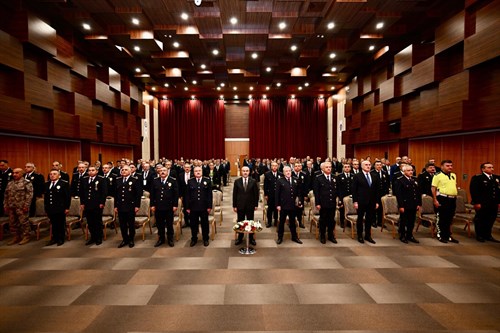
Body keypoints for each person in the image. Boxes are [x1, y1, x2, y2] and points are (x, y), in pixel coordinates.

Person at [469, 162, 500, 243]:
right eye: (489, 167)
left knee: (491, 219)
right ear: (483, 169)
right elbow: (474, 191)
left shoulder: (496, 178)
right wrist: (476, 202)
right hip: (482, 203)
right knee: (480, 219)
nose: (492, 169)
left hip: (493, 203)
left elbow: (498, 191)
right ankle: (479, 235)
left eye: (492, 167)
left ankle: (488, 235)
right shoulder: (478, 178)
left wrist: (498, 202)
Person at [352, 160, 380, 244]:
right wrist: (355, 201)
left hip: (371, 201)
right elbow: (354, 190)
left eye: (369, 164)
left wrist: (377, 202)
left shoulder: (374, 175)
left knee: (369, 219)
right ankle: (360, 235)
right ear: (362, 166)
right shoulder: (357, 176)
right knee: (360, 219)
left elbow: (377, 190)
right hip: (361, 201)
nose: (368, 166)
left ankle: (368, 235)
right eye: (366, 165)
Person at [114, 165, 142, 248]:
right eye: (122, 169)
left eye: (126, 170)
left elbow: (138, 194)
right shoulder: (118, 180)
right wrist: (115, 206)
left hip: (131, 205)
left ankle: (131, 239)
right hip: (121, 206)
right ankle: (125, 239)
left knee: (131, 224)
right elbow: (116, 194)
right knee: (122, 224)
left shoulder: (135, 180)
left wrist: (137, 205)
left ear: (130, 171)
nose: (124, 171)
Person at [431, 160, 459, 243]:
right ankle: (440, 235)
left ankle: (448, 235)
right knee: (442, 217)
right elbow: (433, 188)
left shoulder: (453, 175)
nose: (450, 167)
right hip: (442, 198)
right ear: (442, 166)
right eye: (447, 165)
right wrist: (435, 199)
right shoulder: (437, 175)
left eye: (451, 165)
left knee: (449, 218)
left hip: (452, 199)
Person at [150, 166, 179, 247]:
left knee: (169, 224)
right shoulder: (155, 181)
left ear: (167, 172)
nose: (162, 172)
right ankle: (161, 239)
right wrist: (152, 204)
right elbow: (152, 194)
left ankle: (170, 239)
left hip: (169, 206)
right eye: (161, 171)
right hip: (158, 206)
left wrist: (175, 205)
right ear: (158, 172)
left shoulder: (172, 181)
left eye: (164, 170)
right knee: (160, 224)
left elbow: (176, 194)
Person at [4, 168, 33, 245]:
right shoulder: (10, 183)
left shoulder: (26, 183)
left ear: (22, 173)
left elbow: (29, 195)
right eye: (13, 173)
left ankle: (26, 236)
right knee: (12, 223)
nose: (14, 174)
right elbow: (6, 195)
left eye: (17, 173)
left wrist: (26, 205)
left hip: (21, 207)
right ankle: (16, 237)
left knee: (24, 222)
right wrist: (5, 205)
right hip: (11, 206)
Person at [393, 165, 421, 244]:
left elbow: (418, 193)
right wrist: (401, 206)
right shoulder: (400, 180)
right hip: (405, 204)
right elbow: (399, 195)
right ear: (404, 172)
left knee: (412, 221)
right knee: (403, 221)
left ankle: (410, 235)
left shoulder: (415, 179)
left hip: (413, 204)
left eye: (411, 170)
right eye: (408, 170)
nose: (411, 172)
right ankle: (402, 235)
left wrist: (419, 203)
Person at [186, 166, 213, 247]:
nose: (198, 172)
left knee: (205, 224)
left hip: (204, 207)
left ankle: (206, 238)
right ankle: (194, 238)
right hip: (193, 207)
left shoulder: (207, 180)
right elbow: (187, 195)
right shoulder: (190, 181)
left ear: (202, 171)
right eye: (196, 171)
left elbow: (209, 195)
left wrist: (209, 206)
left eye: (199, 171)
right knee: (193, 224)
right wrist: (187, 207)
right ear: (193, 172)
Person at [275, 166, 303, 244]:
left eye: (289, 171)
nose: (288, 172)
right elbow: (277, 194)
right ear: (283, 173)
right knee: (281, 222)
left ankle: (294, 237)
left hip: (293, 205)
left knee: (292, 222)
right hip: (283, 205)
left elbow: (299, 193)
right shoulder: (280, 181)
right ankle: (280, 237)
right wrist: (278, 205)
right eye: (286, 171)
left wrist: (300, 202)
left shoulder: (296, 180)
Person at [80, 166, 107, 246]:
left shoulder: (101, 179)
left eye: (93, 170)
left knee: (97, 222)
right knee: (90, 222)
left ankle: (98, 237)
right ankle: (93, 237)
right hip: (87, 204)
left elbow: (104, 192)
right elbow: (82, 192)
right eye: (89, 170)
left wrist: (102, 202)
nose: (91, 172)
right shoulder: (84, 179)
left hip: (97, 204)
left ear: (97, 171)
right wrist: (82, 203)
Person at [233, 166, 259, 246]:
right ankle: (240, 237)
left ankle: (251, 238)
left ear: (249, 172)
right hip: (240, 205)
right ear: (241, 172)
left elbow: (256, 194)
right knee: (240, 222)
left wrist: (256, 204)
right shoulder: (237, 181)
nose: (245, 172)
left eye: (247, 171)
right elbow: (234, 194)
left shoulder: (253, 181)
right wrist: (234, 205)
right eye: (243, 171)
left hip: (250, 205)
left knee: (250, 221)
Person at [313, 162, 339, 244]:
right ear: (323, 169)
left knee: (331, 220)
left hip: (332, 203)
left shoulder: (334, 177)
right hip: (323, 203)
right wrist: (317, 203)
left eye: (330, 167)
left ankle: (331, 235)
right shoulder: (318, 178)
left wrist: (339, 200)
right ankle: (322, 235)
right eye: (327, 167)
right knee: (323, 220)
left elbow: (337, 190)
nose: (329, 168)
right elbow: (316, 192)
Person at [44, 169, 71, 246]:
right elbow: (46, 198)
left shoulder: (64, 184)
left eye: (54, 174)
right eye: (51, 174)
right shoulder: (47, 184)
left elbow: (67, 197)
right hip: (50, 208)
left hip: (60, 208)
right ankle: (54, 238)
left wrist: (67, 208)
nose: (52, 175)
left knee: (60, 224)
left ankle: (61, 238)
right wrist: (46, 208)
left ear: (59, 175)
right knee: (53, 224)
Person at [371, 160, 390, 227]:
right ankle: (373, 221)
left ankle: (379, 221)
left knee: (381, 208)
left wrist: (387, 193)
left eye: (380, 165)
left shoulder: (384, 172)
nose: (379, 166)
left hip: (382, 193)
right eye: (377, 165)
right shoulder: (372, 173)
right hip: (374, 194)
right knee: (374, 208)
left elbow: (387, 183)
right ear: (374, 166)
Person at [263, 162, 282, 228]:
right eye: (273, 166)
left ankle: (276, 221)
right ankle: (269, 222)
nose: (274, 167)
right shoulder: (267, 174)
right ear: (271, 167)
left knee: (276, 208)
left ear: (277, 166)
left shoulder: (280, 174)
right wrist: (266, 194)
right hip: (270, 194)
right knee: (270, 209)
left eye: (276, 166)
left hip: (278, 195)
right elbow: (265, 185)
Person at [337, 163, 354, 228]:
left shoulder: (353, 175)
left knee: (350, 208)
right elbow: (338, 188)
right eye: (345, 167)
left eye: (348, 167)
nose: (347, 168)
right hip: (342, 195)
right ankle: (342, 221)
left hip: (351, 196)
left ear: (350, 168)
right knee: (342, 209)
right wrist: (340, 198)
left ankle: (349, 222)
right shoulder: (339, 176)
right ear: (343, 168)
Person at [292, 162, 307, 228]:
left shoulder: (304, 174)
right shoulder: (291, 174)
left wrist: (305, 195)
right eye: (296, 166)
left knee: (300, 209)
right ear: (294, 167)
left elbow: (307, 185)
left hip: (301, 195)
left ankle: (300, 221)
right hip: (292, 195)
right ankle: (293, 221)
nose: (297, 167)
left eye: (299, 166)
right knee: (293, 209)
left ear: (301, 167)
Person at [178, 163, 193, 228]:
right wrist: (180, 195)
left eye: (188, 167)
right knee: (185, 208)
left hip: (192, 194)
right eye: (186, 167)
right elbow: (179, 186)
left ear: (190, 168)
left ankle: (193, 221)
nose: (187, 168)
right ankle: (186, 222)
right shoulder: (180, 175)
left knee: (193, 208)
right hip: (184, 194)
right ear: (184, 168)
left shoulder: (193, 175)